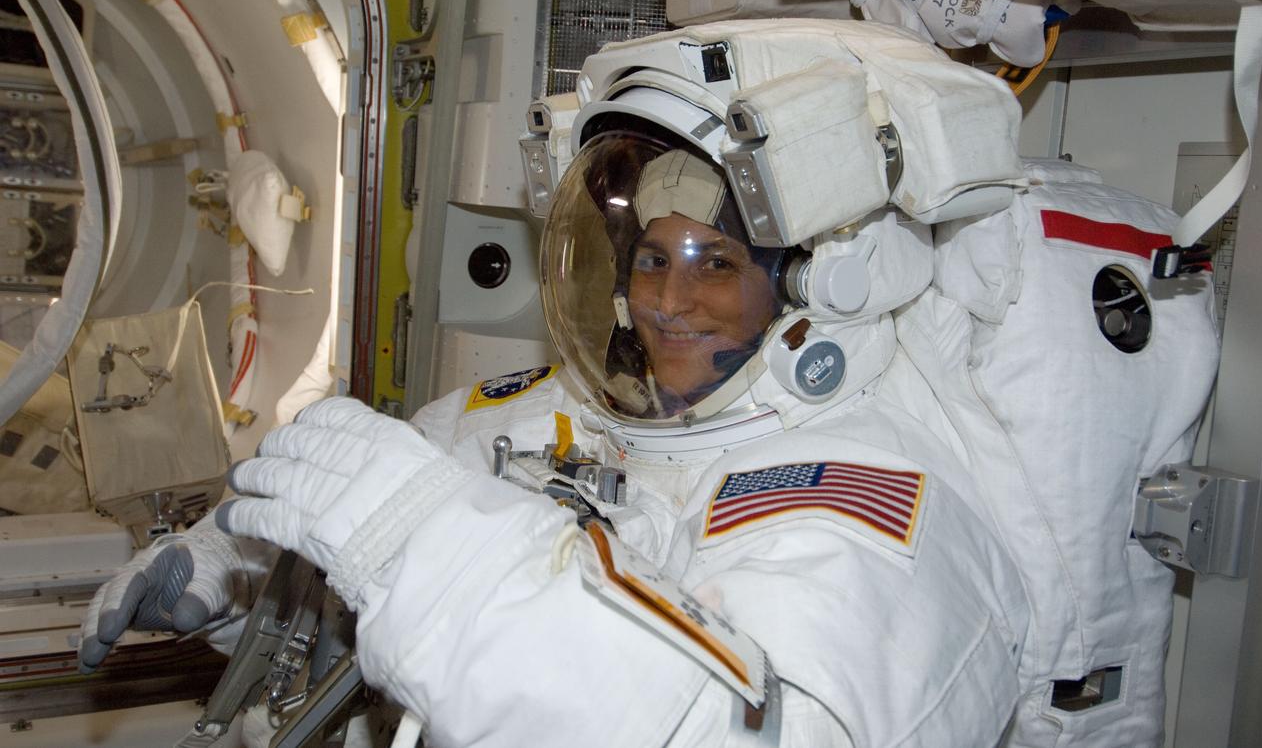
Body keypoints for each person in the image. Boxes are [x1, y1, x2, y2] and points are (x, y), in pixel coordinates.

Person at [79, 119, 1031, 746]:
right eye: (652, 259)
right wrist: (227, 573)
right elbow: (349, 547)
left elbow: (756, 727)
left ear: (812, 291)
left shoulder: (871, 501)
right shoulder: (539, 411)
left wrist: (453, 570)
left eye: (717, 265)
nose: (668, 301)